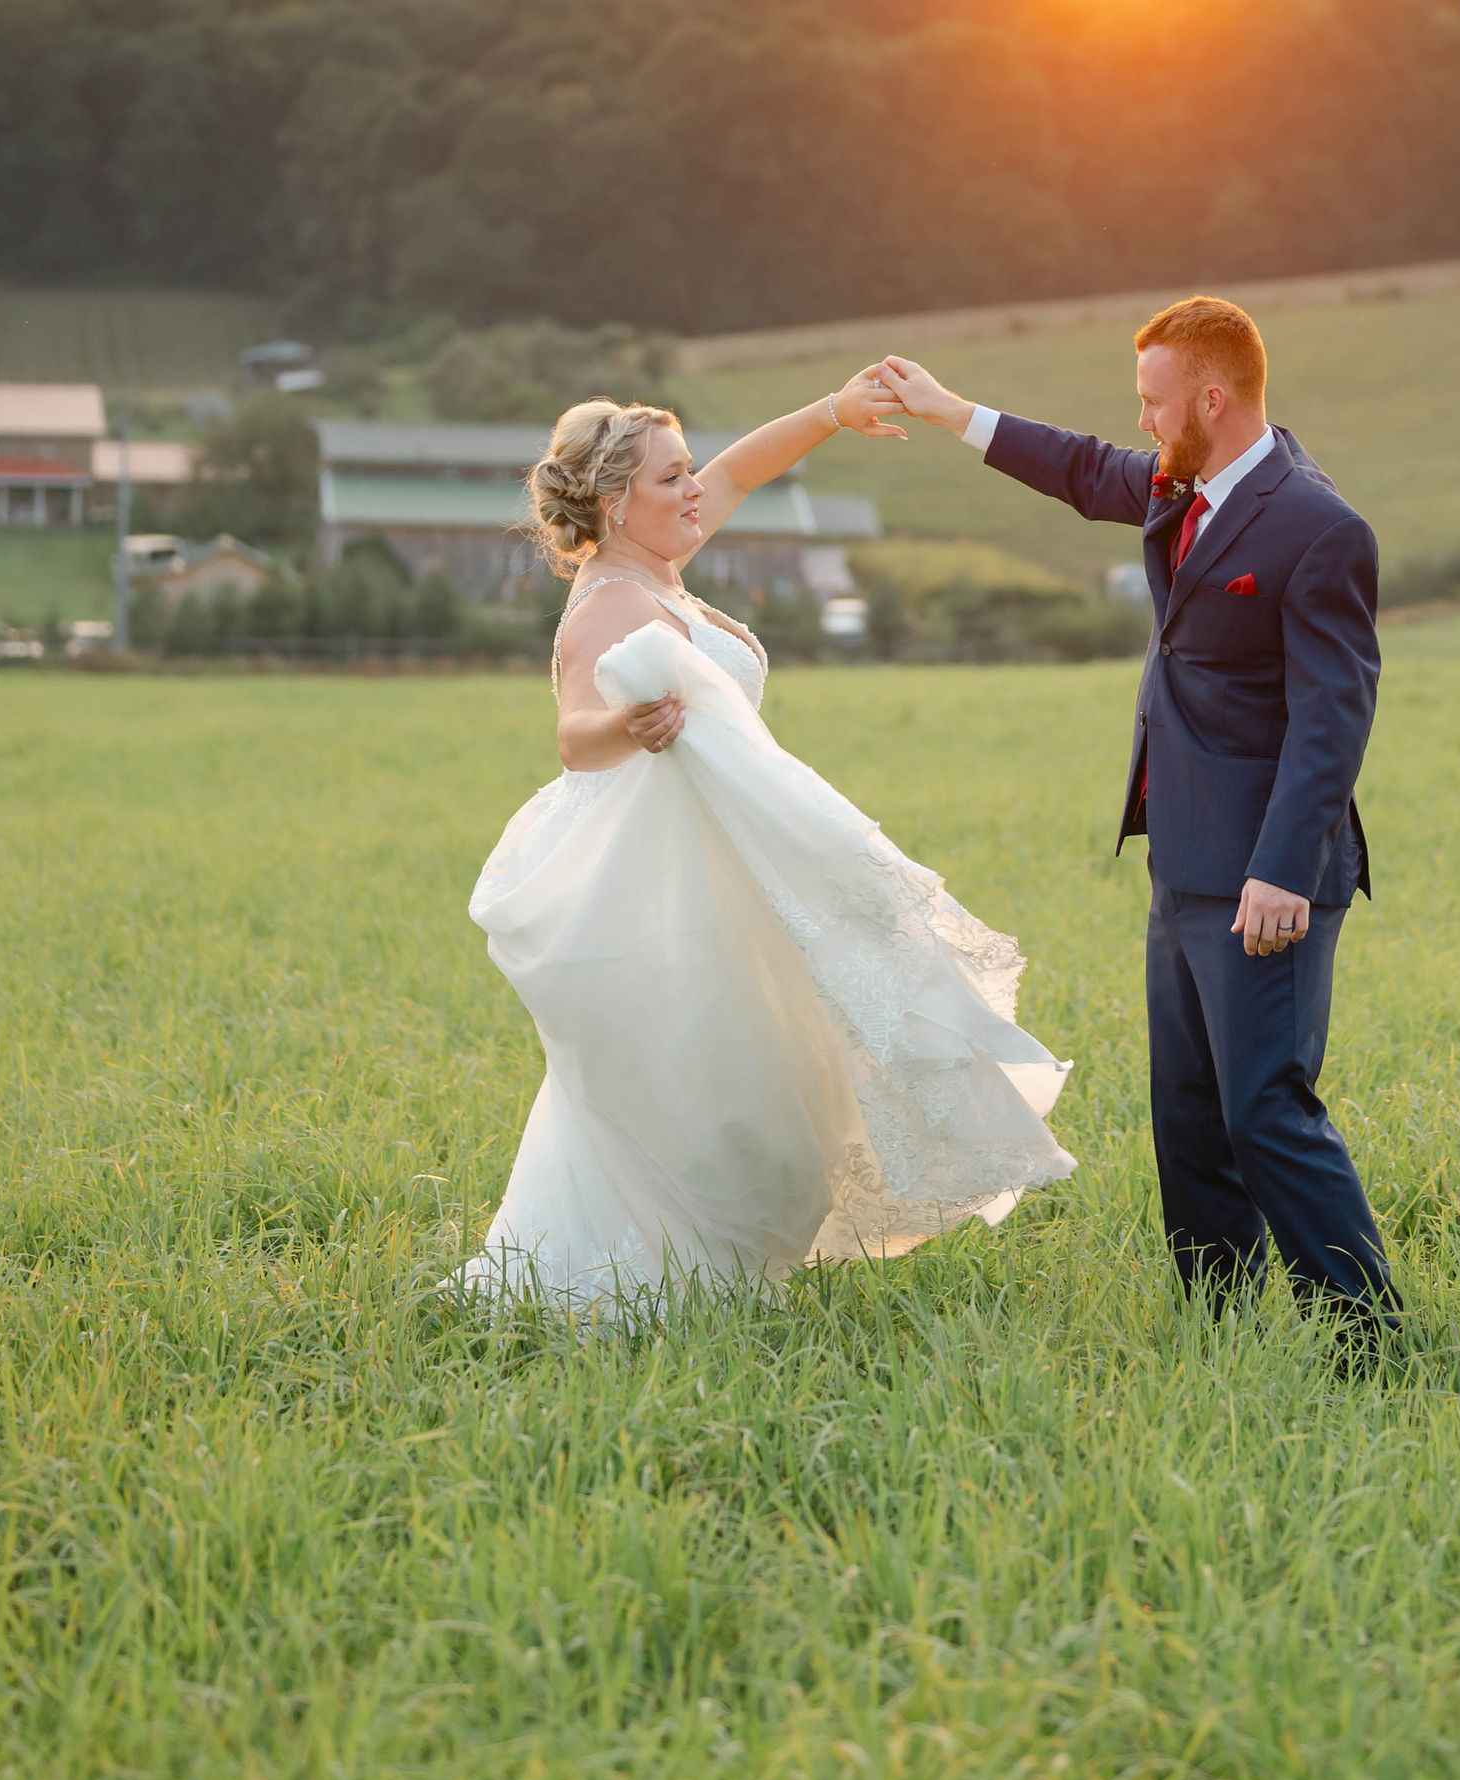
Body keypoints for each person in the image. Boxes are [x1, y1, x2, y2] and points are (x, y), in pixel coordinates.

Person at [461, 383, 1074, 1312]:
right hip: (666, 877)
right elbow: (574, 735)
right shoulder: (606, 602)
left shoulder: (660, 565)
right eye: (674, 476)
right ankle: (656, 1274)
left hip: (727, 860)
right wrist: (632, 723)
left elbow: (743, 467)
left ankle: (726, 1268)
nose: (696, 488)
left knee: (765, 1066)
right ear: (619, 501)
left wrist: (834, 410)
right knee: (702, 1075)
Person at [879, 299, 1397, 1346]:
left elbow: (1331, 718)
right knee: (1191, 1114)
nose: (1144, 426)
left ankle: (1369, 1336)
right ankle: (1219, 1322)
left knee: (1266, 1109)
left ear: (1212, 398)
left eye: (1156, 405)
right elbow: (1078, 467)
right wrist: (946, 412)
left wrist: (1282, 869)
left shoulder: (1317, 526)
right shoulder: (1182, 481)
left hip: (1266, 874)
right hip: (1183, 856)